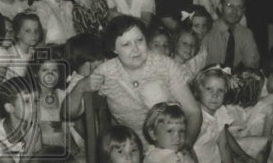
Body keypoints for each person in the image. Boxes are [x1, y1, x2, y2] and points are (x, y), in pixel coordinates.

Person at [63, 15, 201, 143]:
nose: (136, 49)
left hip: (173, 143)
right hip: (132, 150)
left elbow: (193, 112)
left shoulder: (165, 65)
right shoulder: (106, 72)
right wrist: (81, 86)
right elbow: (67, 113)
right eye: (126, 44)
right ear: (114, 49)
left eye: (139, 40)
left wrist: (185, 147)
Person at [202, 0, 260, 71]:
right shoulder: (206, 30)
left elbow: (252, 67)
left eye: (239, 7)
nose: (234, 11)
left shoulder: (246, 34)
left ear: (243, 11)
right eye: (229, 5)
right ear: (221, 7)